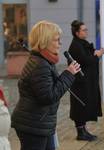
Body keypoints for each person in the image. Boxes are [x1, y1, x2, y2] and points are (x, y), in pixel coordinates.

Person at [11, 20, 81, 150]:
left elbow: (51, 88)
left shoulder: (44, 61)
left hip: (39, 122)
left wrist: (67, 74)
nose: (60, 44)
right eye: (56, 40)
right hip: (33, 124)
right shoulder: (40, 64)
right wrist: (68, 74)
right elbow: (48, 96)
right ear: (44, 41)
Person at [68, 20, 104, 141]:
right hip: (80, 82)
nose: (86, 31)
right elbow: (86, 60)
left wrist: (94, 53)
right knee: (80, 106)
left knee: (84, 106)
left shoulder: (80, 43)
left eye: (86, 29)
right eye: (84, 30)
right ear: (77, 33)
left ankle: (83, 130)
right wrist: (97, 55)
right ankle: (80, 132)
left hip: (84, 81)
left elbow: (87, 56)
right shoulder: (76, 45)